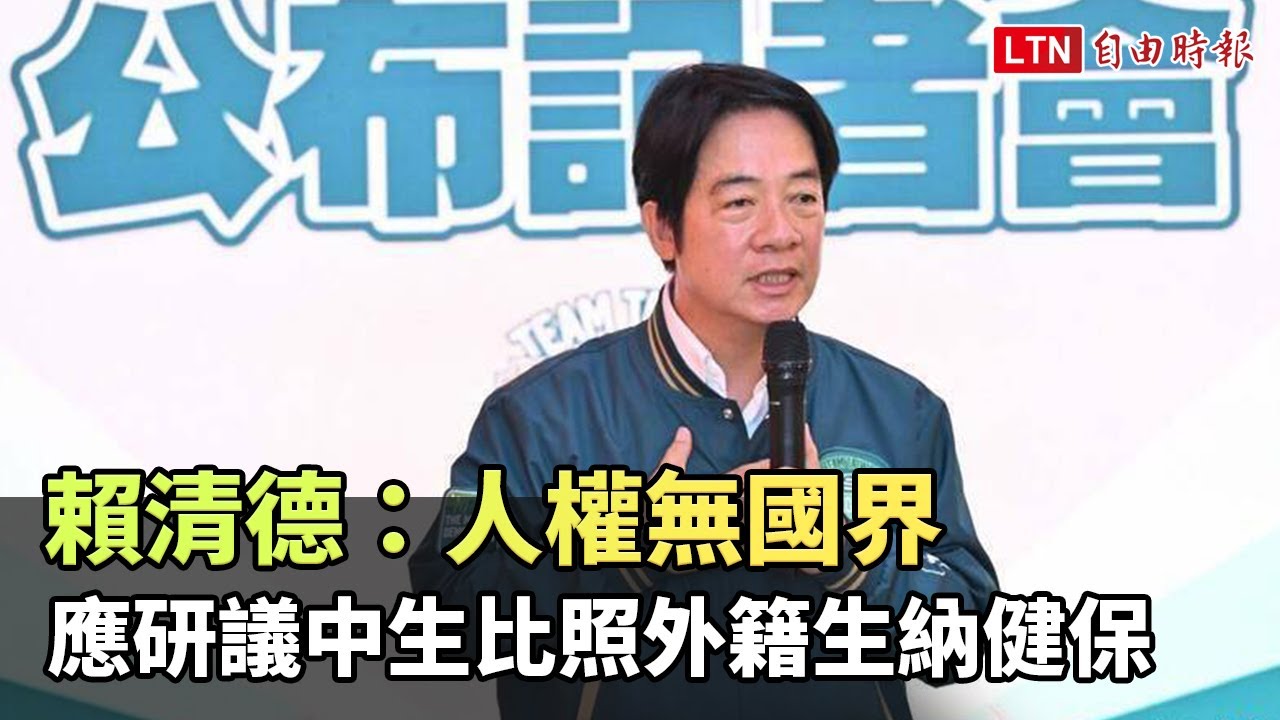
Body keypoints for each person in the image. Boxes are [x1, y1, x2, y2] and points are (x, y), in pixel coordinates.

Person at [410, 63, 998, 720]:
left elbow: (970, 630)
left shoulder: (899, 411)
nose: (781, 232)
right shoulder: (542, 415)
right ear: (663, 227)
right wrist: (631, 547)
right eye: (740, 203)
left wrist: (850, 556)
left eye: (803, 198)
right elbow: (450, 606)